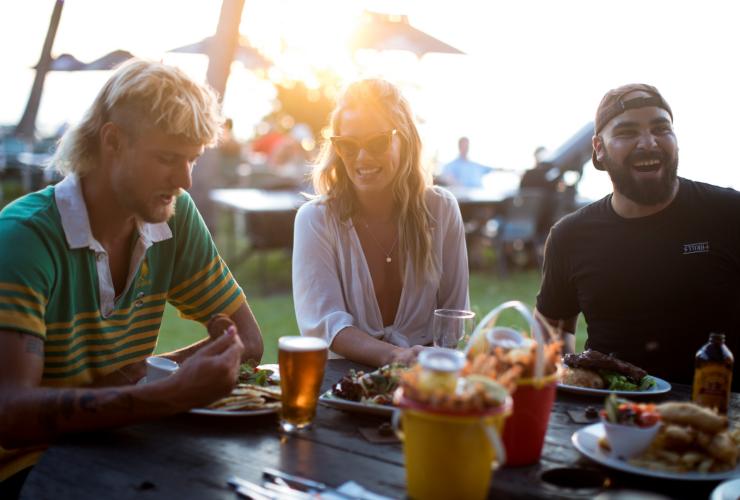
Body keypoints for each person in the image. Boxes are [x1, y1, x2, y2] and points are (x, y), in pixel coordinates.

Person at [0, 60, 264, 496]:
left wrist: (138, 380)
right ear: (113, 141)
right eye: (167, 158)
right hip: (28, 469)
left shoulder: (173, 218)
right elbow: (10, 413)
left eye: (192, 160)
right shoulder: (25, 238)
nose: (184, 180)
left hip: (126, 447)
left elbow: (247, 341)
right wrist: (166, 393)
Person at [535, 83, 740, 388]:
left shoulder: (729, 213)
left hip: (718, 415)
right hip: (611, 417)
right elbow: (551, 329)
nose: (649, 143)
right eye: (627, 132)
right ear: (599, 149)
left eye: (661, 128)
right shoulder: (571, 235)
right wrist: (573, 381)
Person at [292, 79, 469, 367]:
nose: (362, 157)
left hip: (426, 381)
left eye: (377, 142)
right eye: (347, 145)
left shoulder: (441, 210)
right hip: (343, 387)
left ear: (406, 140)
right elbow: (326, 326)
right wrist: (398, 358)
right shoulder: (316, 220)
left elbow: (454, 317)